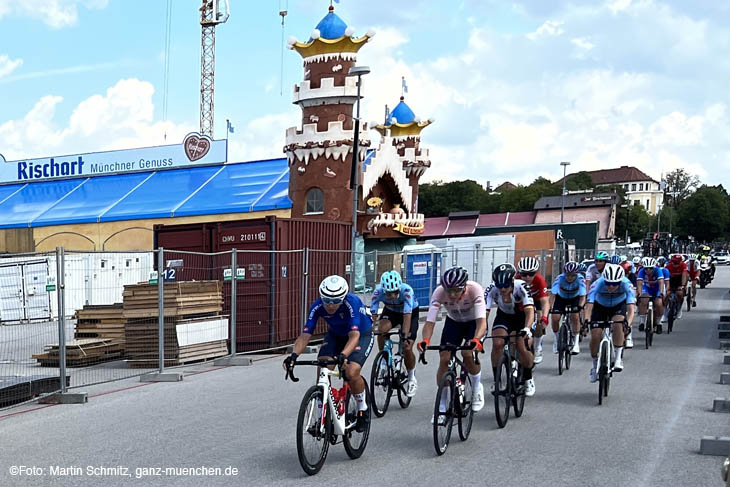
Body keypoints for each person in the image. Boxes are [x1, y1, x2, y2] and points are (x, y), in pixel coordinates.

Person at [284, 275, 374, 431]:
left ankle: (363, 409)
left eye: (336, 301)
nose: (331, 305)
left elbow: (354, 336)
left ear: (343, 297)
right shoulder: (317, 306)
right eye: (327, 301)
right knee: (323, 367)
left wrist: (344, 355)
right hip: (336, 335)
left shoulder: (352, 302)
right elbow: (305, 335)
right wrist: (293, 357)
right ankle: (323, 415)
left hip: (361, 334)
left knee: (351, 372)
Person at [419, 266, 487, 424]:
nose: (452, 294)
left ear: (464, 287)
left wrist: (476, 339)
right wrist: (425, 341)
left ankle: (477, 387)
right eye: (448, 290)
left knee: (468, 354)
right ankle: (442, 406)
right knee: (444, 358)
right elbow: (429, 322)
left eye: (456, 290)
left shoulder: (475, 289)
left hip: (473, 323)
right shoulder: (439, 293)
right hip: (454, 323)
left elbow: (482, 322)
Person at [485, 264, 536, 396]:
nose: (502, 289)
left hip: (521, 316)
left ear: (512, 282)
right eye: (499, 286)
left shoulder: (521, 286)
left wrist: (527, 328)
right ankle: (497, 380)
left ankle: (528, 378)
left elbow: (530, 311)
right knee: (497, 343)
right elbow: (484, 313)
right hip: (504, 317)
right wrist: (482, 332)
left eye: (506, 286)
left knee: (521, 346)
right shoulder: (492, 289)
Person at [370, 270, 419, 397]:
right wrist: (370, 331)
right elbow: (373, 315)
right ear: (383, 290)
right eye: (388, 294)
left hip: (409, 313)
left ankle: (411, 378)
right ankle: (383, 359)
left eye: (395, 293)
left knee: (407, 346)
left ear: (399, 288)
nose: (391, 296)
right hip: (391, 312)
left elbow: (407, 316)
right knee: (381, 329)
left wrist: (405, 336)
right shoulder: (377, 292)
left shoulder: (407, 291)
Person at [584, 264, 636, 381]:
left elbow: (631, 309)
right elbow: (589, 305)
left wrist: (628, 323)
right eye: (608, 283)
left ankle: (618, 359)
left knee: (619, 324)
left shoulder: (627, 284)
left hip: (618, 305)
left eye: (615, 284)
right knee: (596, 335)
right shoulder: (597, 283)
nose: (611, 286)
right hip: (600, 306)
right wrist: (586, 320)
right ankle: (594, 366)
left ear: (620, 281)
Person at [516, 256, 550, 365]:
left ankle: (537, 346)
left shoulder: (539, 280)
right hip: (521, 302)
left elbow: (545, 301)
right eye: (524, 274)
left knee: (539, 323)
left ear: (536, 273)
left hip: (536, 301)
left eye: (531, 274)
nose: (527, 277)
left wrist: (544, 317)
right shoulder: (516, 279)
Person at [549, 261, 586, 355]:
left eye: (572, 275)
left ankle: (576, 342)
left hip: (575, 298)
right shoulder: (559, 279)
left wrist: (580, 307)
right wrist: (551, 307)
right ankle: (557, 340)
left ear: (576, 274)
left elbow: (582, 297)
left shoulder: (580, 279)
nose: (569, 277)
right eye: (567, 275)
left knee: (575, 317)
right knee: (555, 318)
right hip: (561, 298)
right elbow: (553, 294)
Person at [636, 257, 665, 335]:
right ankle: (642, 321)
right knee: (643, 299)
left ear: (654, 267)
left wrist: (661, 293)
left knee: (659, 303)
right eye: (646, 268)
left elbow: (661, 282)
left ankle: (659, 323)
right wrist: (639, 293)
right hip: (647, 288)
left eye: (650, 268)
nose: (648, 270)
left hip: (657, 288)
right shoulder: (641, 271)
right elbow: (639, 283)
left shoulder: (658, 270)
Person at [662, 254, 688, 322]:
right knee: (666, 295)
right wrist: (666, 288)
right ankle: (664, 313)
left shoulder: (683, 265)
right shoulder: (668, 266)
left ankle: (679, 309)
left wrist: (682, 286)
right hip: (671, 280)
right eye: (673, 262)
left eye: (677, 263)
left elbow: (684, 275)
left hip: (679, 280)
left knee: (679, 294)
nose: (675, 264)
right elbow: (665, 278)